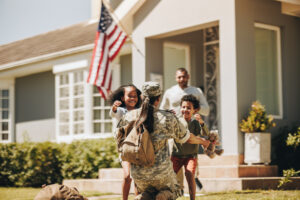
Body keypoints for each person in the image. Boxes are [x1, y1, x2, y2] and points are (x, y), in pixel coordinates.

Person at [116, 82, 210, 200]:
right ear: (158, 99)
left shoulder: (129, 116)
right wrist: (203, 141)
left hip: (139, 176)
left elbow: (119, 142)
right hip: (163, 176)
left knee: (147, 192)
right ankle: (164, 195)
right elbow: (187, 138)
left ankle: (144, 196)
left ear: (141, 97)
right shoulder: (167, 117)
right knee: (174, 189)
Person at [160, 67, 210, 191]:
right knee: (174, 157)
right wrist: (168, 114)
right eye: (179, 77)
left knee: (190, 158)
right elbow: (161, 111)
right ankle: (179, 188)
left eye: (184, 76)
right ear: (176, 78)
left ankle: (193, 178)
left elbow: (207, 110)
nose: (181, 79)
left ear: (188, 77)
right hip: (174, 131)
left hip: (191, 130)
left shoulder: (196, 91)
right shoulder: (170, 92)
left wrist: (195, 108)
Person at [171, 94, 210, 200]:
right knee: (171, 177)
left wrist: (201, 122)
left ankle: (192, 198)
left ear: (194, 110)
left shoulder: (195, 123)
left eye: (189, 107)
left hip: (190, 156)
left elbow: (205, 133)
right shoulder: (177, 121)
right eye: (183, 107)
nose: (185, 109)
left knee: (189, 174)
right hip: (176, 155)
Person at [109, 84, 142, 200]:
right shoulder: (121, 111)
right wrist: (114, 107)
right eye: (130, 96)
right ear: (123, 98)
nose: (133, 98)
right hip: (124, 148)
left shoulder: (139, 111)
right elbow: (114, 113)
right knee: (127, 176)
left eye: (135, 96)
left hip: (138, 148)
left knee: (137, 178)